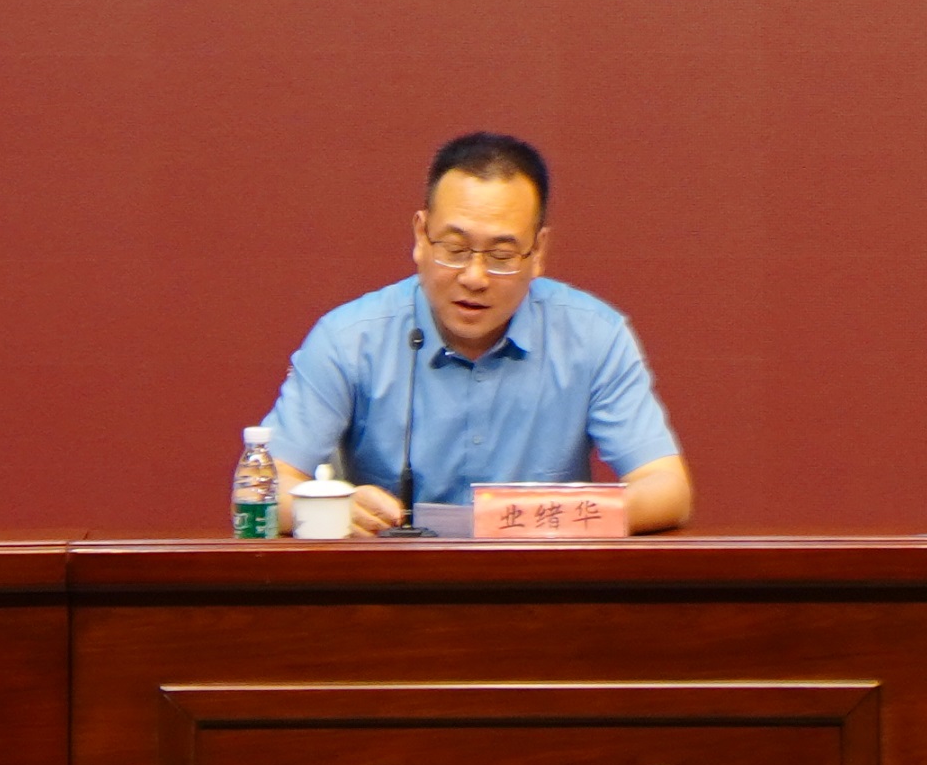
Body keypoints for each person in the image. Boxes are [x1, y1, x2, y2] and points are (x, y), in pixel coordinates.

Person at [265, 130, 692, 535]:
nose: (474, 277)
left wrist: (531, 518)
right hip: (392, 581)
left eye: (501, 256)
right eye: (454, 249)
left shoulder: (594, 337)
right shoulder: (349, 339)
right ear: (421, 236)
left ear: (537, 253)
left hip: (541, 578)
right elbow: (263, 488)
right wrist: (333, 509)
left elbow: (666, 489)